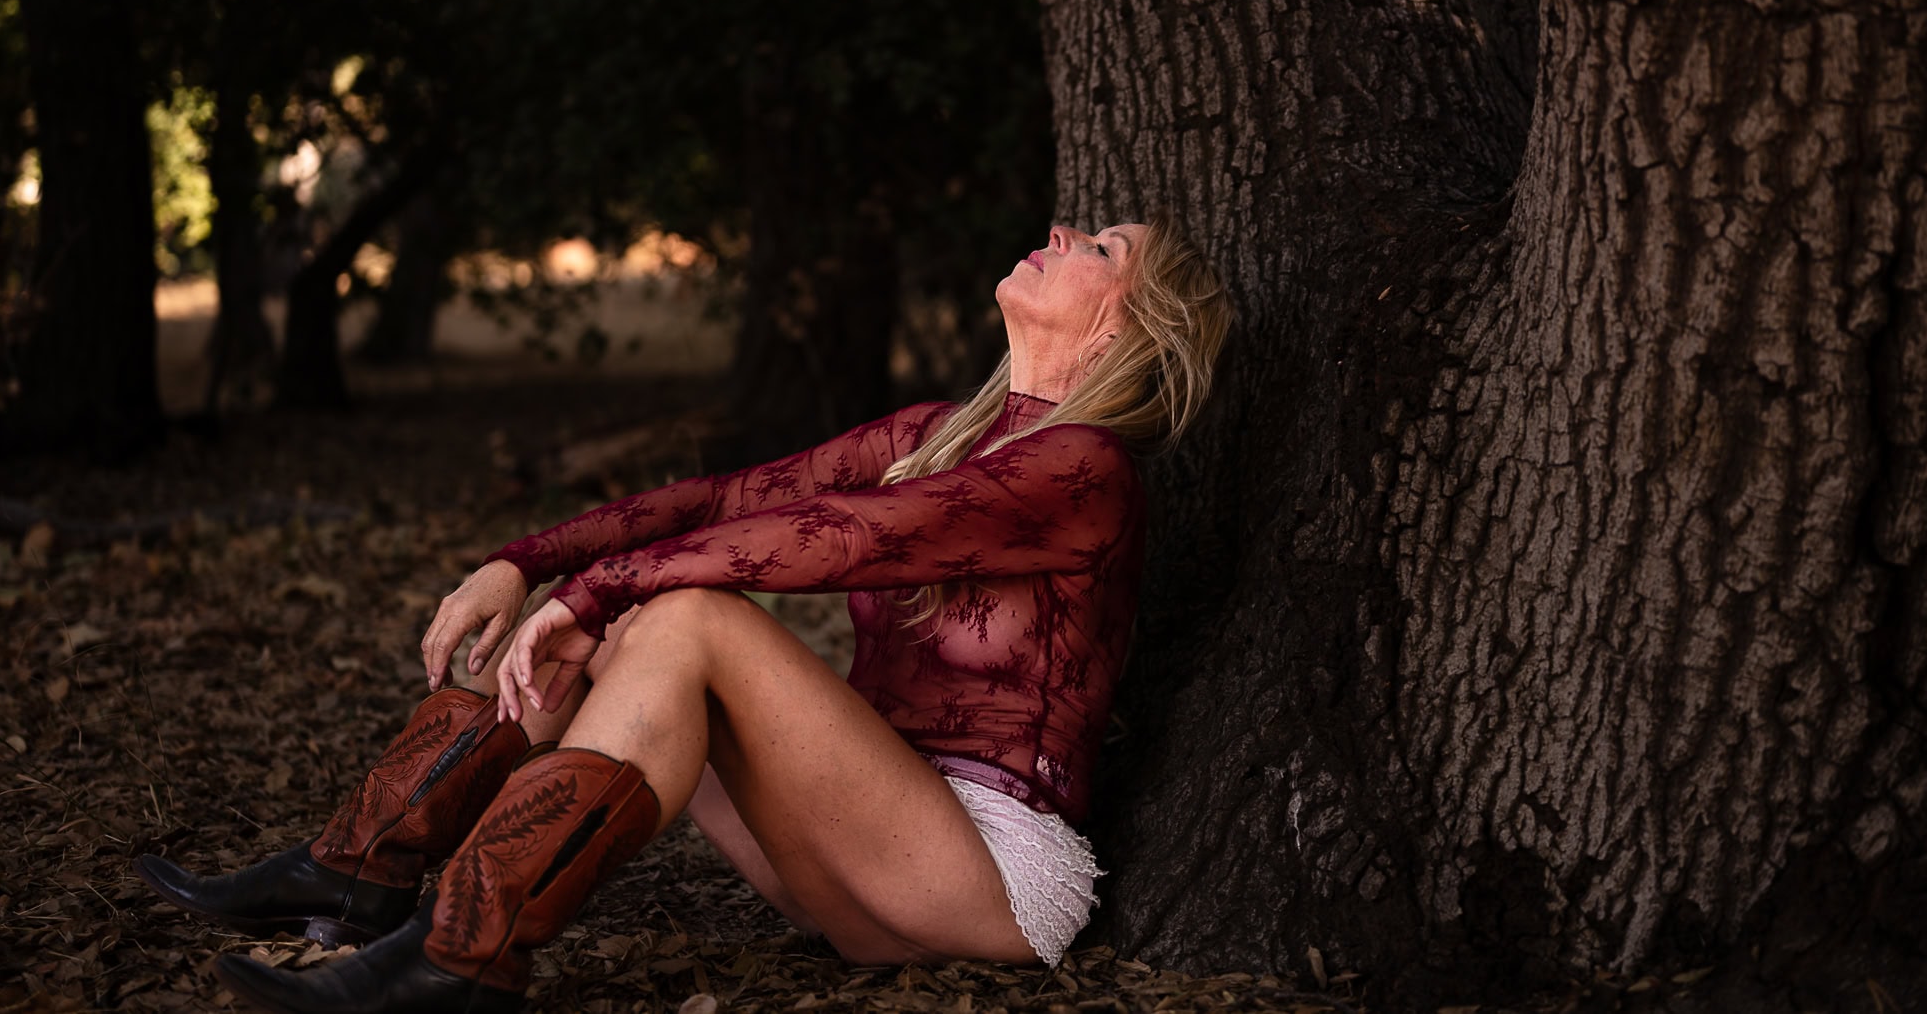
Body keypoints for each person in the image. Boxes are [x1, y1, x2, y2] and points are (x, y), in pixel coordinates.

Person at [135, 217, 1231, 1014]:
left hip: (986, 874)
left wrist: (598, 585)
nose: (1058, 228)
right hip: (850, 846)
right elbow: (723, 500)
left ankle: (459, 958)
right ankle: (359, 864)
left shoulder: (1084, 467)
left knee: (685, 614)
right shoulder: (940, 432)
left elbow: (839, 541)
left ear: (1131, 320)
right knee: (635, 628)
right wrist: (526, 563)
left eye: (1099, 246)